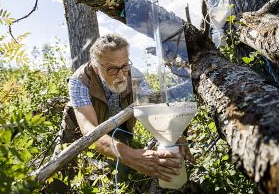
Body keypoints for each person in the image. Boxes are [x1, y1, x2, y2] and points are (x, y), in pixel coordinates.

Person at [63, 33, 194, 183]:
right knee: (68, 175)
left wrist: (173, 134)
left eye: (124, 66)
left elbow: (153, 108)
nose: (121, 75)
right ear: (96, 68)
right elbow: (89, 130)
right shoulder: (79, 81)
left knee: (120, 177)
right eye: (112, 69)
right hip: (77, 133)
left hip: (118, 129)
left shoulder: (136, 77)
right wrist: (130, 156)